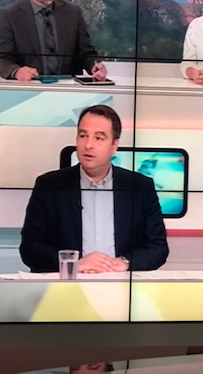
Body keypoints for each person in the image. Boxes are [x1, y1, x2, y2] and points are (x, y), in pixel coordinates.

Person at [20, 105, 169, 273]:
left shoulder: (140, 187)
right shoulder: (49, 185)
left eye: (99, 138)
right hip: (67, 284)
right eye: (83, 136)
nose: (88, 145)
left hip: (119, 283)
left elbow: (158, 247)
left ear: (114, 145)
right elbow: (30, 248)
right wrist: (73, 264)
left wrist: (124, 262)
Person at [0, 0, 108, 82]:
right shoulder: (10, 15)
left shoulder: (73, 13)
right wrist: (17, 72)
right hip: (29, 88)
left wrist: (94, 66)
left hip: (67, 89)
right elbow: (2, 60)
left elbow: (86, 54)